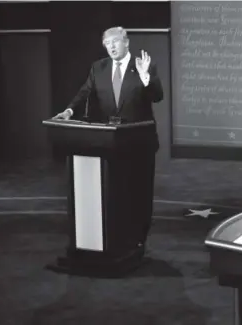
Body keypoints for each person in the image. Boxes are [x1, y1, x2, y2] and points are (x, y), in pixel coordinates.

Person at [53, 26, 163, 256]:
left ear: (126, 42)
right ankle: (117, 239)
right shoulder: (98, 68)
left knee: (139, 193)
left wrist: (145, 78)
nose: (111, 46)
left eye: (115, 42)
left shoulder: (143, 65)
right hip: (110, 144)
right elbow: (84, 93)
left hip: (139, 143)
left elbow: (157, 96)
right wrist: (69, 112)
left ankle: (139, 241)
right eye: (107, 43)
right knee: (116, 193)